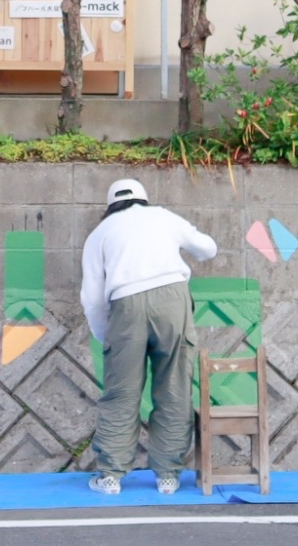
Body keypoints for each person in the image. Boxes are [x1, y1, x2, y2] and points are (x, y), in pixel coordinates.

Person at [80, 177, 218, 496]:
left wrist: (107, 337)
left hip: (125, 305)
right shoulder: (162, 217)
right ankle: (167, 475)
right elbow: (208, 248)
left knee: (122, 391)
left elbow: (91, 297)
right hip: (172, 298)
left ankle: (111, 476)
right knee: (174, 386)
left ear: (109, 206)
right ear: (143, 199)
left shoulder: (99, 234)